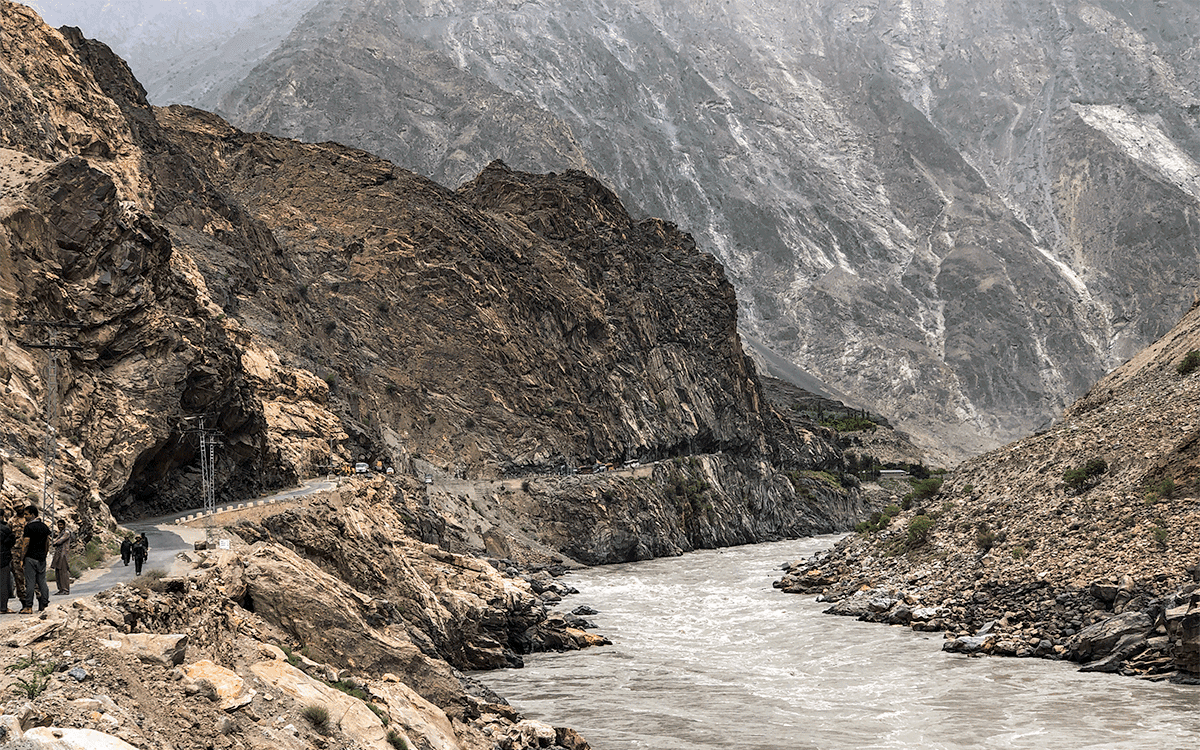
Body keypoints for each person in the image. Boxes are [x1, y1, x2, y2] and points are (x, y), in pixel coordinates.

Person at [20, 505, 50, 614]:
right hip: (41, 558)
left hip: (30, 558)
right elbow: (47, 543)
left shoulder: (28, 527)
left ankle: (28, 607)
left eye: (26, 514)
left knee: (30, 583)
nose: (25, 516)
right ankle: (45, 604)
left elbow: (26, 543)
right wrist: (44, 554)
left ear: (32, 514)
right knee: (42, 582)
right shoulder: (44, 526)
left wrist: (22, 558)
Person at [50, 519, 74, 595]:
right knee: (58, 572)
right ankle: (60, 589)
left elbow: (59, 541)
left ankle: (65, 589)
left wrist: (55, 542)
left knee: (63, 572)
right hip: (58, 554)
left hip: (63, 555)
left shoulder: (66, 533)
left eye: (61, 525)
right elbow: (54, 542)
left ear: (64, 525)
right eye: (58, 525)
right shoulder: (61, 533)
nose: (59, 526)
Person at [0, 517, 16, 613]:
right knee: (3, 584)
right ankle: (3, 607)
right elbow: (11, 542)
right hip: (3, 560)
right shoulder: (5, 529)